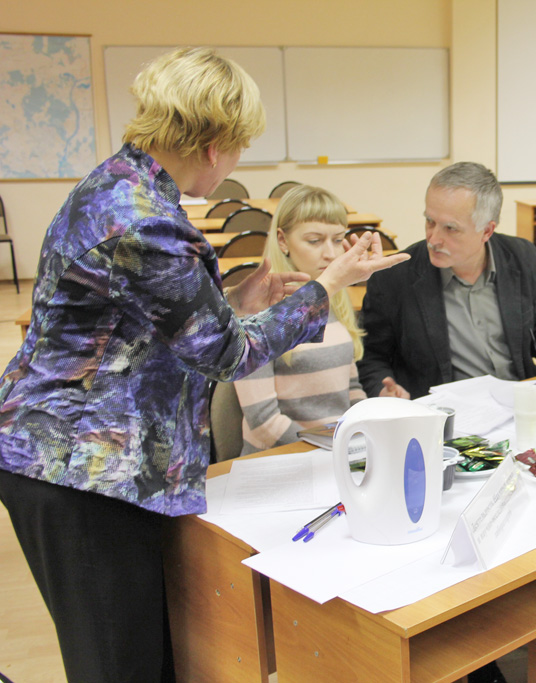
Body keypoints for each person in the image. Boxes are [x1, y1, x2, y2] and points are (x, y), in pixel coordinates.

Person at [0, 48, 407, 683]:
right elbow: (226, 355)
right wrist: (326, 286)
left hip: (90, 459)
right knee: (117, 663)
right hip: (80, 467)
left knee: (146, 650)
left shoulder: (120, 185)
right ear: (214, 145)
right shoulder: (145, 223)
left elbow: (146, 323)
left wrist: (230, 304)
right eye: (241, 146)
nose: (237, 160)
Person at [357, 161, 536, 400]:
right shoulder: (394, 278)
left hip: (518, 398)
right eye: (430, 221)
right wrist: (383, 391)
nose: (434, 239)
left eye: (450, 229)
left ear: (487, 231)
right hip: (447, 411)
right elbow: (371, 357)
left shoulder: (520, 256)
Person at [233, 185, 367, 455]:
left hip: (334, 453)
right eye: (314, 241)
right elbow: (264, 423)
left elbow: (351, 389)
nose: (331, 254)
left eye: (338, 240)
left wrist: (367, 423)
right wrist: (332, 450)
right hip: (284, 458)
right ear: (283, 241)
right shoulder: (259, 315)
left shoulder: (336, 301)